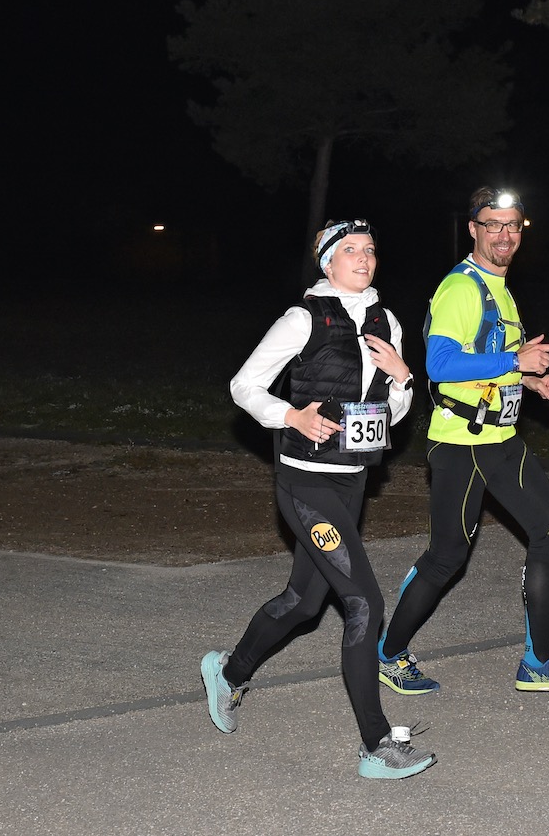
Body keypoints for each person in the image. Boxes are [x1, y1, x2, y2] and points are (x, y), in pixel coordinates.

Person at [200, 219, 436, 780]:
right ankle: (377, 745)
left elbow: (390, 415)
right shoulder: (303, 319)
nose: (363, 258)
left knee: (305, 603)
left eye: (370, 250)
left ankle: (229, 673)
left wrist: (403, 380)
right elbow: (244, 385)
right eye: (350, 250)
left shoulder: (388, 321)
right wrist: (290, 416)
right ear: (328, 263)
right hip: (305, 483)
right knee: (363, 604)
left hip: (352, 481)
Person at [376, 187, 549, 695]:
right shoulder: (462, 287)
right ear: (473, 229)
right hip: (462, 443)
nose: (504, 234)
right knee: (446, 557)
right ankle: (388, 654)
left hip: (497, 438)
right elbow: (439, 366)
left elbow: (487, 356)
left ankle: (538, 661)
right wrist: (514, 364)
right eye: (493, 224)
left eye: (513, 225)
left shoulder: (497, 286)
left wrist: (526, 380)